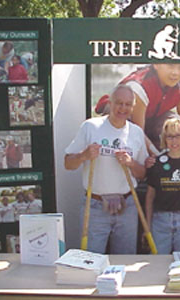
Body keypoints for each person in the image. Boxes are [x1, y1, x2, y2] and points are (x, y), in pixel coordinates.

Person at [65, 84, 148, 254]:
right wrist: (83, 155)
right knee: (90, 260)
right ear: (110, 102)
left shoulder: (137, 132)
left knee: (125, 261)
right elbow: (68, 164)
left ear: (132, 108)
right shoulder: (91, 127)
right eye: (118, 103)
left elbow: (143, 173)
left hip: (127, 206)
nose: (122, 108)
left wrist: (131, 163)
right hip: (94, 206)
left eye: (127, 104)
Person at [95, 64, 180, 154]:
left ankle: (168, 153)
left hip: (149, 120)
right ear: (156, 65)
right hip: (126, 120)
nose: (175, 72)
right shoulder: (140, 86)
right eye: (170, 66)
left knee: (174, 120)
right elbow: (138, 132)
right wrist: (157, 157)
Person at [145, 118, 180, 254]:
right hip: (161, 221)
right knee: (159, 264)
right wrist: (147, 225)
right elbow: (150, 196)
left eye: (177, 136)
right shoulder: (156, 163)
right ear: (164, 139)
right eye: (169, 136)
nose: (174, 141)